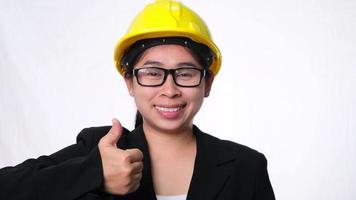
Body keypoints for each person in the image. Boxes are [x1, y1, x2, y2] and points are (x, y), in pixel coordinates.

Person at [0, 0, 275, 199]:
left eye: (185, 73)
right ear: (129, 82)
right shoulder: (100, 150)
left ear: (207, 83)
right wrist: (93, 172)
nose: (169, 89)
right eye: (153, 73)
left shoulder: (246, 167)